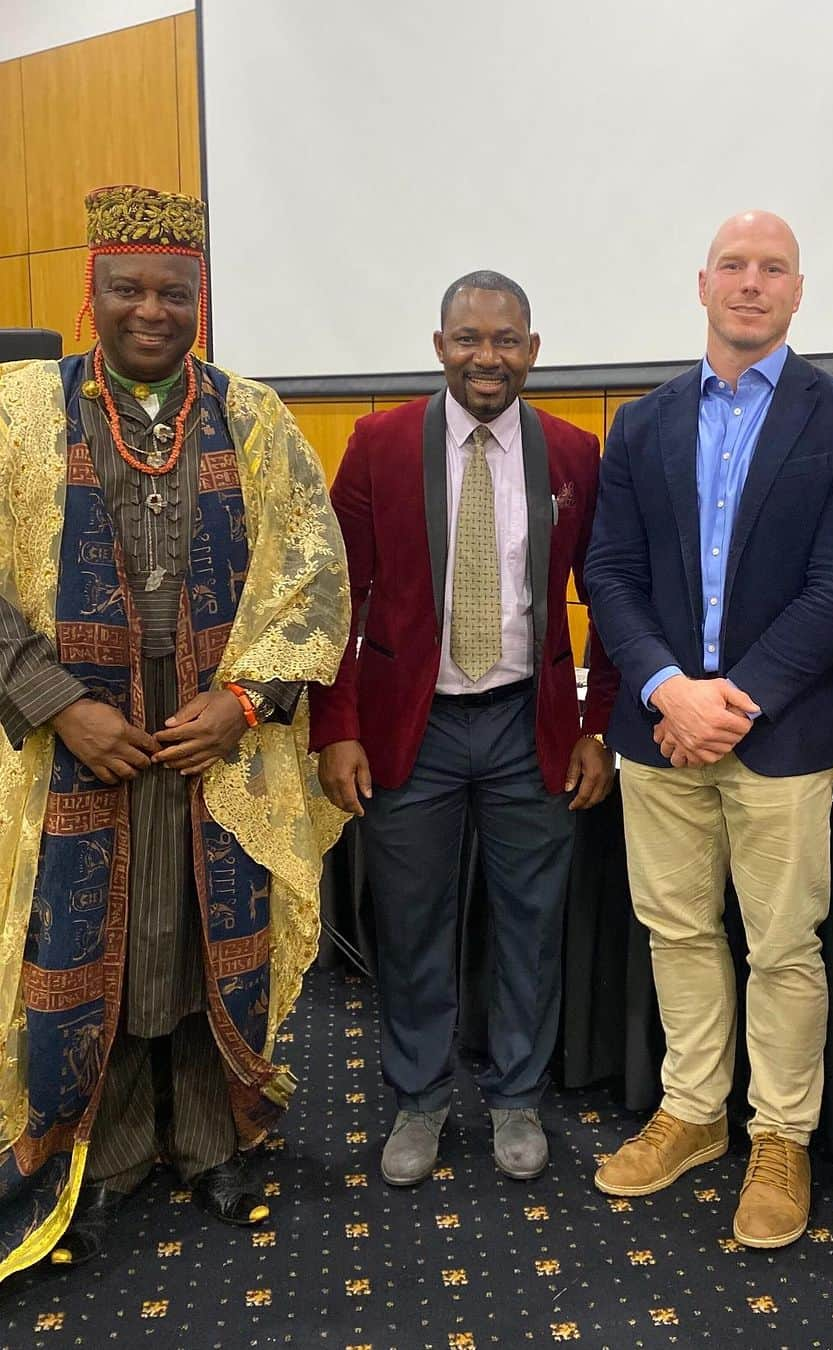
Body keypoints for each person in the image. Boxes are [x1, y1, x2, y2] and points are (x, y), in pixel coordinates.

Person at [0, 185, 349, 1278]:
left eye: (172, 291)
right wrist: (62, 704)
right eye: (127, 288)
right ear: (88, 291)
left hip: (214, 733)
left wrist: (244, 703)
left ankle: (208, 1139)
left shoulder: (254, 416)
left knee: (201, 936)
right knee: (89, 940)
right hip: (72, 736)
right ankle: (90, 1160)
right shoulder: (17, 410)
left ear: (201, 298)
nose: (150, 309)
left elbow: (314, 574)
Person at [583, 211, 833, 1248]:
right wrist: (671, 689)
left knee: (783, 946)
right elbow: (610, 574)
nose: (750, 284)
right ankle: (694, 1114)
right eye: (733, 266)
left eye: (772, 270)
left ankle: (782, 1136)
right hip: (659, 731)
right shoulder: (642, 422)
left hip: (782, 731)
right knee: (675, 931)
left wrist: (733, 700)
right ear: (702, 284)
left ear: (798, 292)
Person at [310, 270, 619, 1186]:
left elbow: (606, 596)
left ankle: (517, 1095)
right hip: (414, 729)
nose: (489, 356)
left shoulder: (572, 452)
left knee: (530, 922)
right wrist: (337, 727)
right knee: (411, 922)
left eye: (507, 339)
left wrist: (596, 724)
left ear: (534, 349)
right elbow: (337, 597)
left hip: (534, 726)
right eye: (470, 338)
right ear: (440, 345)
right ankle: (420, 1097)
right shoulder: (378, 444)